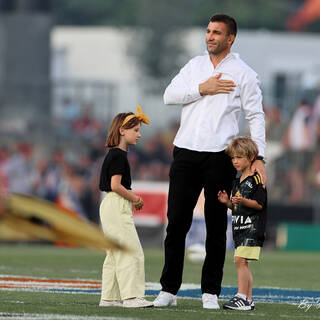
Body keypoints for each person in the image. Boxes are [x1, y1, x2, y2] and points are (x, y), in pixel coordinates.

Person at [153, 14, 266, 309]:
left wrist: (259, 158)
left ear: (230, 39)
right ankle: (168, 289)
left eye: (217, 32)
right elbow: (169, 96)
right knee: (177, 222)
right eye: (208, 31)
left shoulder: (244, 74)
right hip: (185, 152)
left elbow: (256, 116)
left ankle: (210, 292)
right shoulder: (194, 66)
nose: (210, 36)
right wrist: (201, 88)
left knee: (217, 225)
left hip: (220, 155)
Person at [98, 105, 153, 308]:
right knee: (131, 251)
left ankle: (109, 298)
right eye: (136, 130)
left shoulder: (114, 154)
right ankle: (131, 297)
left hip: (109, 205)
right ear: (122, 130)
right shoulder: (119, 155)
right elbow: (115, 185)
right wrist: (135, 198)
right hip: (116, 204)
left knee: (114, 253)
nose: (139, 135)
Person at [218, 137, 267, 311]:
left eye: (239, 157)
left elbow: (259, 204)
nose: (235, 161)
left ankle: (241, 296)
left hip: (252, 228)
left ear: (251, 156)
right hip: (240, 228)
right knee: (242, 262)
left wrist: (243, 200)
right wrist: (228, 203)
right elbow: (237, 207)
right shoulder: (236, 182)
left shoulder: (256, 180)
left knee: (240, 260)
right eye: (233, 158)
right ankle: (248, 299)